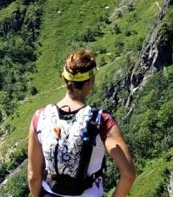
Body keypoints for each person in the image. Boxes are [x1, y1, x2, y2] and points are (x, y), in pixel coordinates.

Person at [28, 49, 136, 197]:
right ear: (90, 82)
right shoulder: (101, 120)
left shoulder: (40, 117)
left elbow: (33, 176)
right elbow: (128, 175)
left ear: (64, 79)